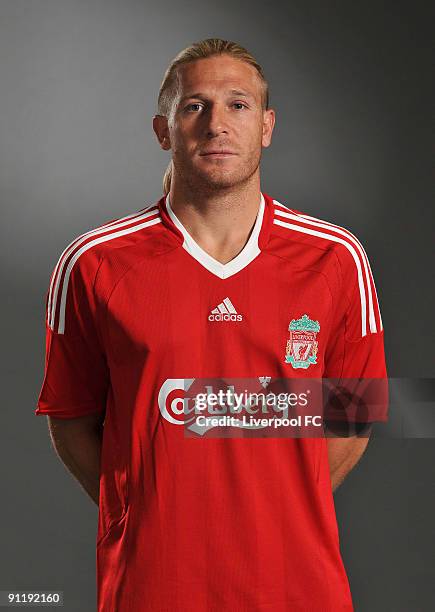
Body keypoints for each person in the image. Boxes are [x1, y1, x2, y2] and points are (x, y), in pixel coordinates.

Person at [35, 38, 387, 611]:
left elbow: (355, 416)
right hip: (152, 585)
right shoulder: (96, 262)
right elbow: (72, 421)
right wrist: (144, 503)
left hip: (297, 588)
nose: (216, 124)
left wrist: (280, 500)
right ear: (162, 130)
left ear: (267, 126)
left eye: (238, 105)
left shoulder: (335, 257)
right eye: (194, 106)